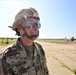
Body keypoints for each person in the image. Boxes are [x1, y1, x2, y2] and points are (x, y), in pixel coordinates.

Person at [0, 7, 49, 75]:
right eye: (30, 23)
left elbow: (45, 71)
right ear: (19, 28)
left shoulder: (39, 48)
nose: (35, 27)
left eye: (37, 23)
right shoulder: (7, 57)